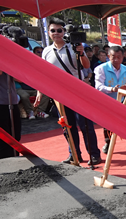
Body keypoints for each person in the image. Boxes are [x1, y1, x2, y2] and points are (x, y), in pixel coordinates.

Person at [35, 17, 101, 166]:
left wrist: (82, 53)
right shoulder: (46, 51)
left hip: (78, 92)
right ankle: (74, 154)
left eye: (60, 30)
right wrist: (40, 92)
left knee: (84, 124)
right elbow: (43, 73)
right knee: (67, 126)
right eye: (53, 30)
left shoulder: (73, 47)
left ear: (64, 32)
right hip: (59, 95)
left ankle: (94, 154)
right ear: (49, 32)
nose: (56, 33)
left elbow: (85, 66)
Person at [94, 46, 126, 154]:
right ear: (108, 56)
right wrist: (112, 89)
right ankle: (108, 143)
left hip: (123, 101)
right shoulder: (101, 69)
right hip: (106, 102)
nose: (116, 60)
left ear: (122, 57)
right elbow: (98, 86)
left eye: (118, 57)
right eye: (113, 57)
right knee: (108, 125)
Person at [0, 70, 21, 159]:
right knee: (4, 136)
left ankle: (15, 157)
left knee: (16, 134)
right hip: (1, 103)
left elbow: (20, 79)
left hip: (12, 101)